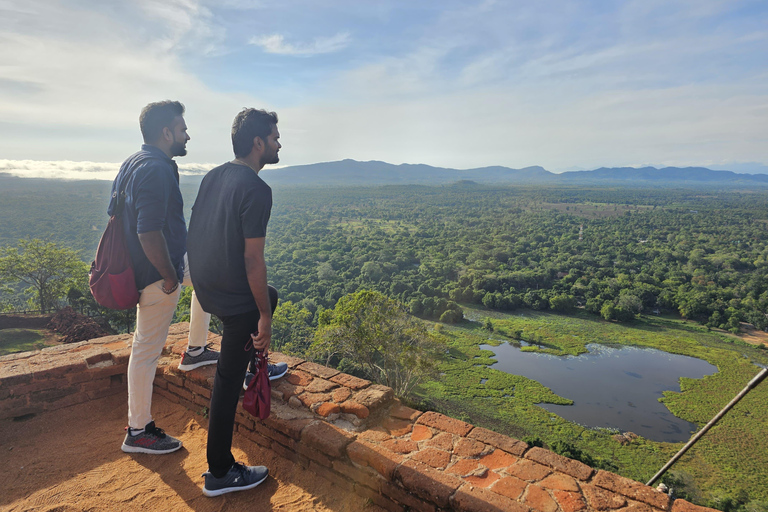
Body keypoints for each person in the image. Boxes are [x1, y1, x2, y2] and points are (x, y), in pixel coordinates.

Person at [187, 108, 286, 497]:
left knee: (271, 295)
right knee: (225, 382)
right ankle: (220, 471)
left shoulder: (213, 176)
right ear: (259, 143)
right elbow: (251, 259)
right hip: (232, 297)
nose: (280, 143)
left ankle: (248, 363)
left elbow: (196, 231)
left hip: (207, 287)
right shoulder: (257, 189)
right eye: (276, 137)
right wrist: (263, 317)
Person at [112, 100, 219, 455]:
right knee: (145, 352)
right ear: (166, 132)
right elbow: (147, 232)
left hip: (160, 265)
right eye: (183, 128)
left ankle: (196, 349)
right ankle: (139, 431)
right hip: (157, 273)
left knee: (210, 271)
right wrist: (169, 276)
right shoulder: (156, 170)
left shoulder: (135, 162)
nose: (188, 134)